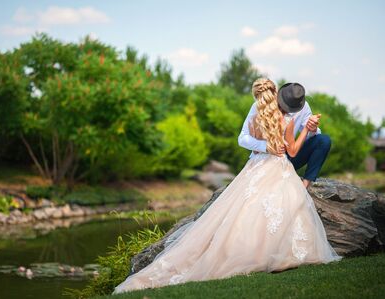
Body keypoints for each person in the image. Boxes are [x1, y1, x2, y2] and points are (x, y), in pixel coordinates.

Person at [113, 78, 341, 295]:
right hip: (273, 158)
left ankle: (302, 186)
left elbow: (308, 142)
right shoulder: (276, 117)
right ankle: (276, 252)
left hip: (263, 163)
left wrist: (311, 129)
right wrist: (268, 146)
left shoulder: (273, 114)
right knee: (284, 201)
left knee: (321, 142)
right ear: (279, 97)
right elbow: (246, 139)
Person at [238, 81, 330, 188]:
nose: (286, 111)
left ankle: (304, 187)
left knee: (323, 141)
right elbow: (242, 138)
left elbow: (311, 139)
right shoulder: (261, 104)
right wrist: (268, 147)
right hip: (265, 158)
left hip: (288, 157)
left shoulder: (304, 108)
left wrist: (312, 129)